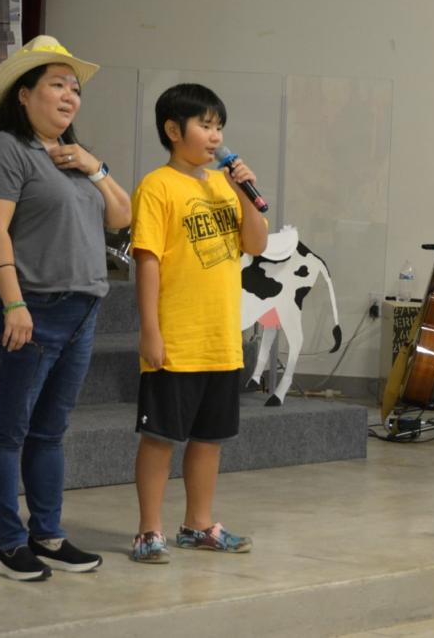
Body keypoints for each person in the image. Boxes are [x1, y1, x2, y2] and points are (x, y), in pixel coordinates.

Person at [0, 35, 132, 581]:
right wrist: (13, 302)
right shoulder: (6, 150)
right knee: (7, 432)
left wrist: (95, 166)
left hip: (82, 311)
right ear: (24, 94)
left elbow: (121, 216)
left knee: (49, 432)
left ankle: (47, 534)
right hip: (32, 308)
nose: (70, 96)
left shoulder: (72, 157)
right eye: (57, 85)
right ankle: (7, 545)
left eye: (75, 89)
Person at [129, 83, 268, 563]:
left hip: (221, 338)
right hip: (177, 337)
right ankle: (149, 531)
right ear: (173, 130)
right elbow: (147, 261)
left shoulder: (224, 186)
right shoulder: (157, 186)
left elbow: (256, 244)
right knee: (160, 437)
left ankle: (198, 524)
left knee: (210, 438)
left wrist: (244, 192)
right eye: (205, 126)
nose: (215, 137)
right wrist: (150, 330)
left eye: (219, 127)